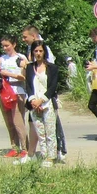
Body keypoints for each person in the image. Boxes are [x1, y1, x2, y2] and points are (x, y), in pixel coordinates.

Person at [22, 24, 66, 163]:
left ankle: (52, 156)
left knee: (50, 131)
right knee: (40, 132)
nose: (38, 53)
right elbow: (28, 85)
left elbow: (53, 86)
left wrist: (42, 100)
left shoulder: (52, 68)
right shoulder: (30, 68)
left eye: (40, 51)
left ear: (44, 52)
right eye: (36, 51)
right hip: (34, 103)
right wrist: (33, 100)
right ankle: (44, 155)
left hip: (47, 102)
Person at [0, 36, 29, 158]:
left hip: (17, 91)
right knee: (9, 122)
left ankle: (25, 148)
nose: (5, 48)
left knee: (17, 121)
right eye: (3, 45)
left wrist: (6, 73)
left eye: (7, 45)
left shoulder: (21, 58)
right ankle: (15, 147)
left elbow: (24, 76)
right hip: (3, 92)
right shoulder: (1, 59)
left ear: (14, 44)